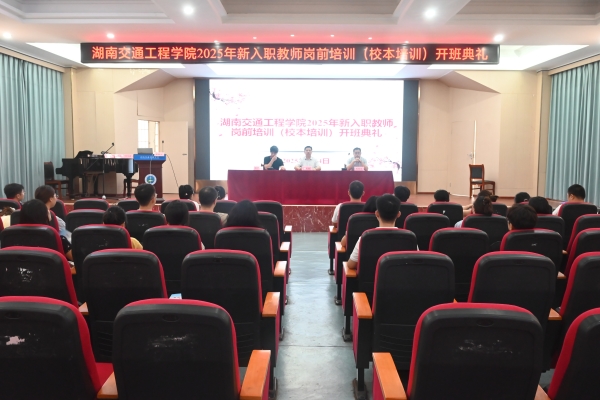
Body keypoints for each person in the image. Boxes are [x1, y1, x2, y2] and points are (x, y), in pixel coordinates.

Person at [347, 194, 400, 270]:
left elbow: (351, 264)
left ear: (377, 213)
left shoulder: (366, 238)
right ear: (398, 214)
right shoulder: (409, 238)